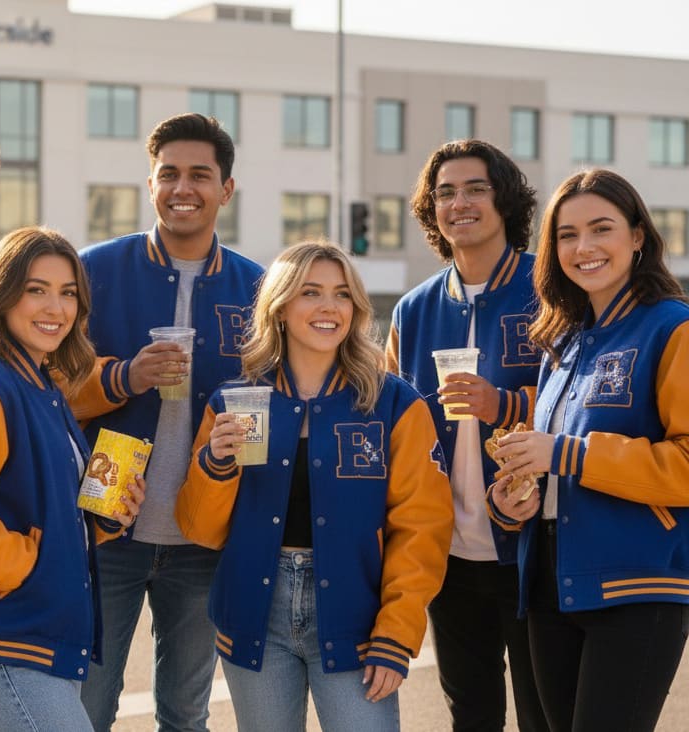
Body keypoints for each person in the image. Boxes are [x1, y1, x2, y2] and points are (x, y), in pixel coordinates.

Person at [175, 241, 453, 731]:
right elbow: (201, 529)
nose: (330, 307)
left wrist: (397, 632)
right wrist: (215, 463)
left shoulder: (394, 404)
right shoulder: (236, 401)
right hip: (254, 615)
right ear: (280, 308)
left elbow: (422, 527)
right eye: (311, 292)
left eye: (343, 294)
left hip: (358, 620)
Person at [0, 226, 143, 731]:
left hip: (41, 631)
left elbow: (48, 513)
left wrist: (105, 518)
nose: (55, 308)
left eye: (68, 293)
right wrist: (24, 569)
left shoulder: (44, 388)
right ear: (2, 295)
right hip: (2, 636)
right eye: (36, 290)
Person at [71, 113, 264, 731]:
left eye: (200, 175)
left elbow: (275, 402)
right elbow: (45, 388)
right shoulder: (92, 270)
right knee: (86, 707)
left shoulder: (258, 286)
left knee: (186, 714)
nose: (184, 188)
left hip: (202, 536)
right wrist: (122, 377)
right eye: (169, 174)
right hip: (105, 521)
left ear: (226, 189)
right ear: (150, 183)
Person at [488, 169, 689, 732]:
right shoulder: (562, 342)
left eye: (602, 229)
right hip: (549, 584)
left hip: (637, 588)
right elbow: (547, 463)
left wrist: (568, 454)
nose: (585, 247)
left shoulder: (673, 328)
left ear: (638, 236)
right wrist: (513, 497)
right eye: (567, 235)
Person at [386, 139, 549, 731]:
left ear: (504, 199)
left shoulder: (550, 288)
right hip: (448, 551)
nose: (460, 202)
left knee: (542, 712)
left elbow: (587, 405)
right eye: (445, 192)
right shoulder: (413, 309)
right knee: (471, 714)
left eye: (475, 188)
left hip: (535, 545)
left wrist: (503, 403)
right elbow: (392, 420)